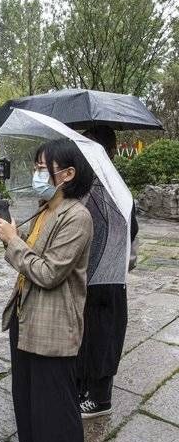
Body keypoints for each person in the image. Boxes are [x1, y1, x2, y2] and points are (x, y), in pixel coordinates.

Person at [0, 138, 95, 442]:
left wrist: (14, 242)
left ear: (66, 174)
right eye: (36, 166)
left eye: (43, 167)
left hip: (54, 325)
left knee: (56, 406)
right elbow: (25, 261)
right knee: (29, 397)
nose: (37, 173)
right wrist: (14, 237)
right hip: (27, 316)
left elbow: (49, 272)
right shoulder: (44, 209)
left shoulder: (77, 217)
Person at [77, 125, 139, 418]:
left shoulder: (110, 187)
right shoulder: (95, 182)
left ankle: (101, 399)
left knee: (103, 337)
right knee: (89, 334)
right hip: (94, 274)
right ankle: (87, 387)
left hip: (108, 277)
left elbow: (129, 227)